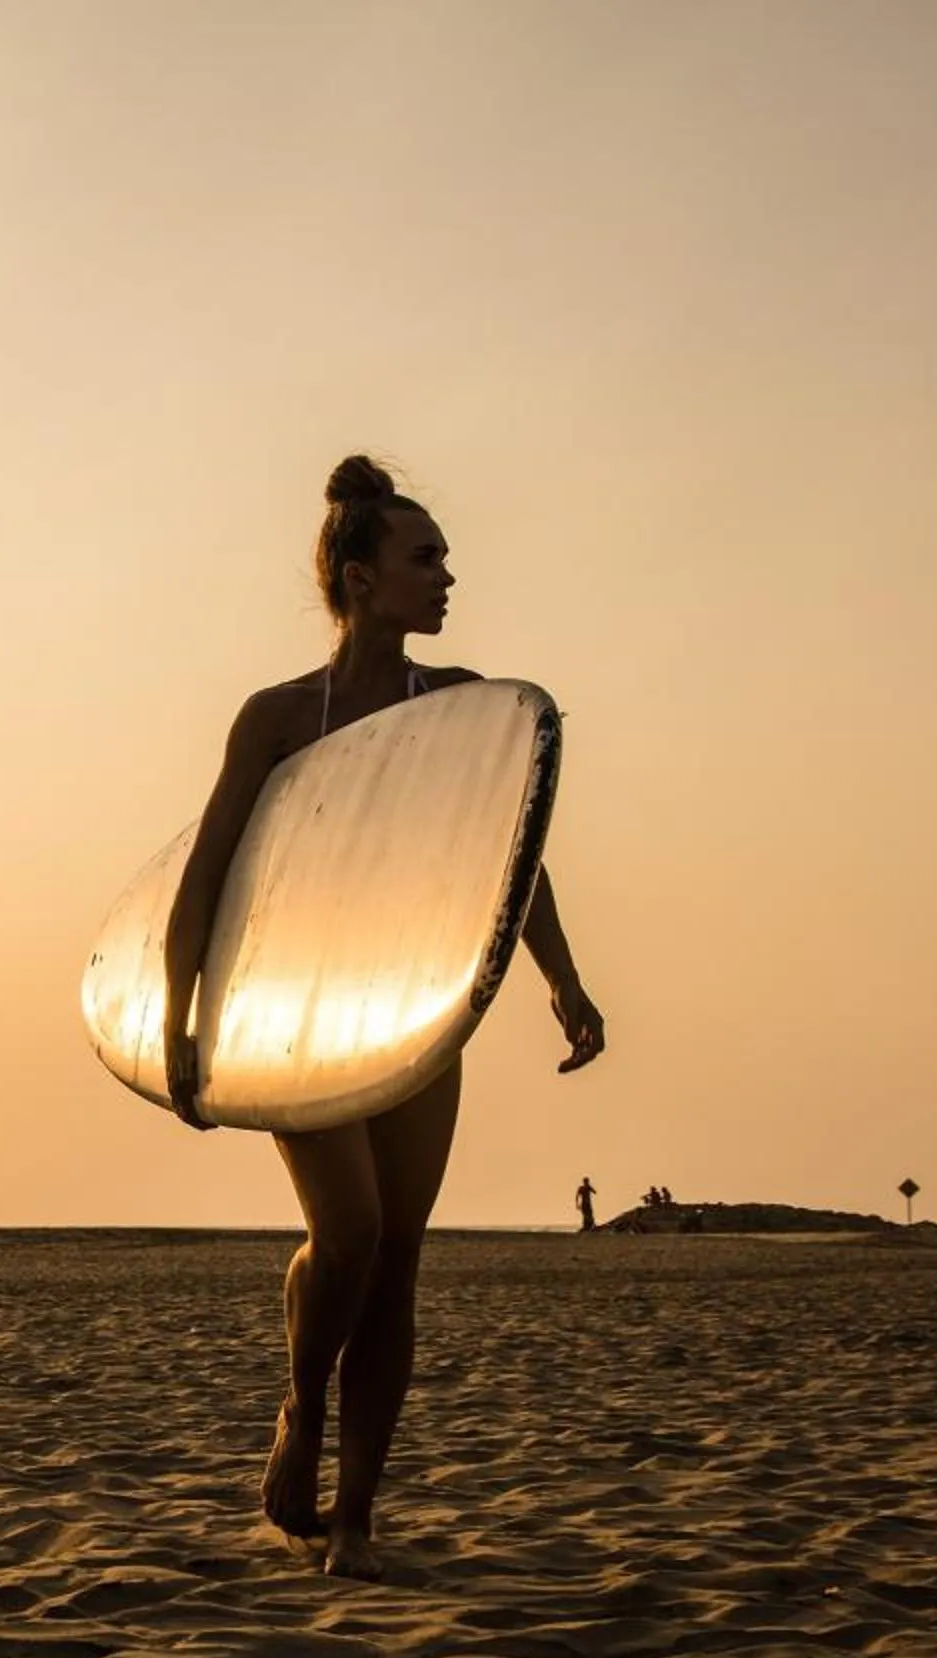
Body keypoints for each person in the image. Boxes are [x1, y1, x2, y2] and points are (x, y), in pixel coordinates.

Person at [161, 456, 606, 1579]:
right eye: (425, 558)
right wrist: (180, 1020)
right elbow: (206, 872)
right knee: (347, 1232)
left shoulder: (458, 707)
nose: (448, 575)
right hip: (287, 1012)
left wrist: (561, 978)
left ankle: (355, 1523)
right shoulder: (276, 719)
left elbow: (515, 859)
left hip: (407, 1010)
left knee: (397, 1261)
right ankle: (301, 1408)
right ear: (361, 581)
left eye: (445, 557)